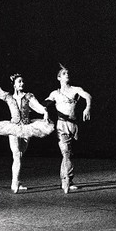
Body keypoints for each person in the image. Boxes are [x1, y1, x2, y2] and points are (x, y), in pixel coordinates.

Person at [0, 61, 53, 193]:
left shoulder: (28, 96)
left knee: (20, 154)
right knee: (16, 154)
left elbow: (37, 106)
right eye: (19, 82)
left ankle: (17, 181)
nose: (22, 83)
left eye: (22, 81)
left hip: (27, 127)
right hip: (13, 128)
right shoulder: (8, 97)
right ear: (14, 84)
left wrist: (45, 112)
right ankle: (14, 183)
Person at [45, 64, 92, 193]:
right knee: (65, 152)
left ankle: (66, 179)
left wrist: (87, 107)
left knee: (68, 154)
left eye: (68, 73)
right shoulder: (55, 93)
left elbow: (88, 96)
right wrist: (45, 111)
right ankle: (66, 181)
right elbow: (45, 104)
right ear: (58, 77)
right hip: (61, 125)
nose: (67, 74)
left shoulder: (75, 89)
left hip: (73, 125)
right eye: (64, 73)